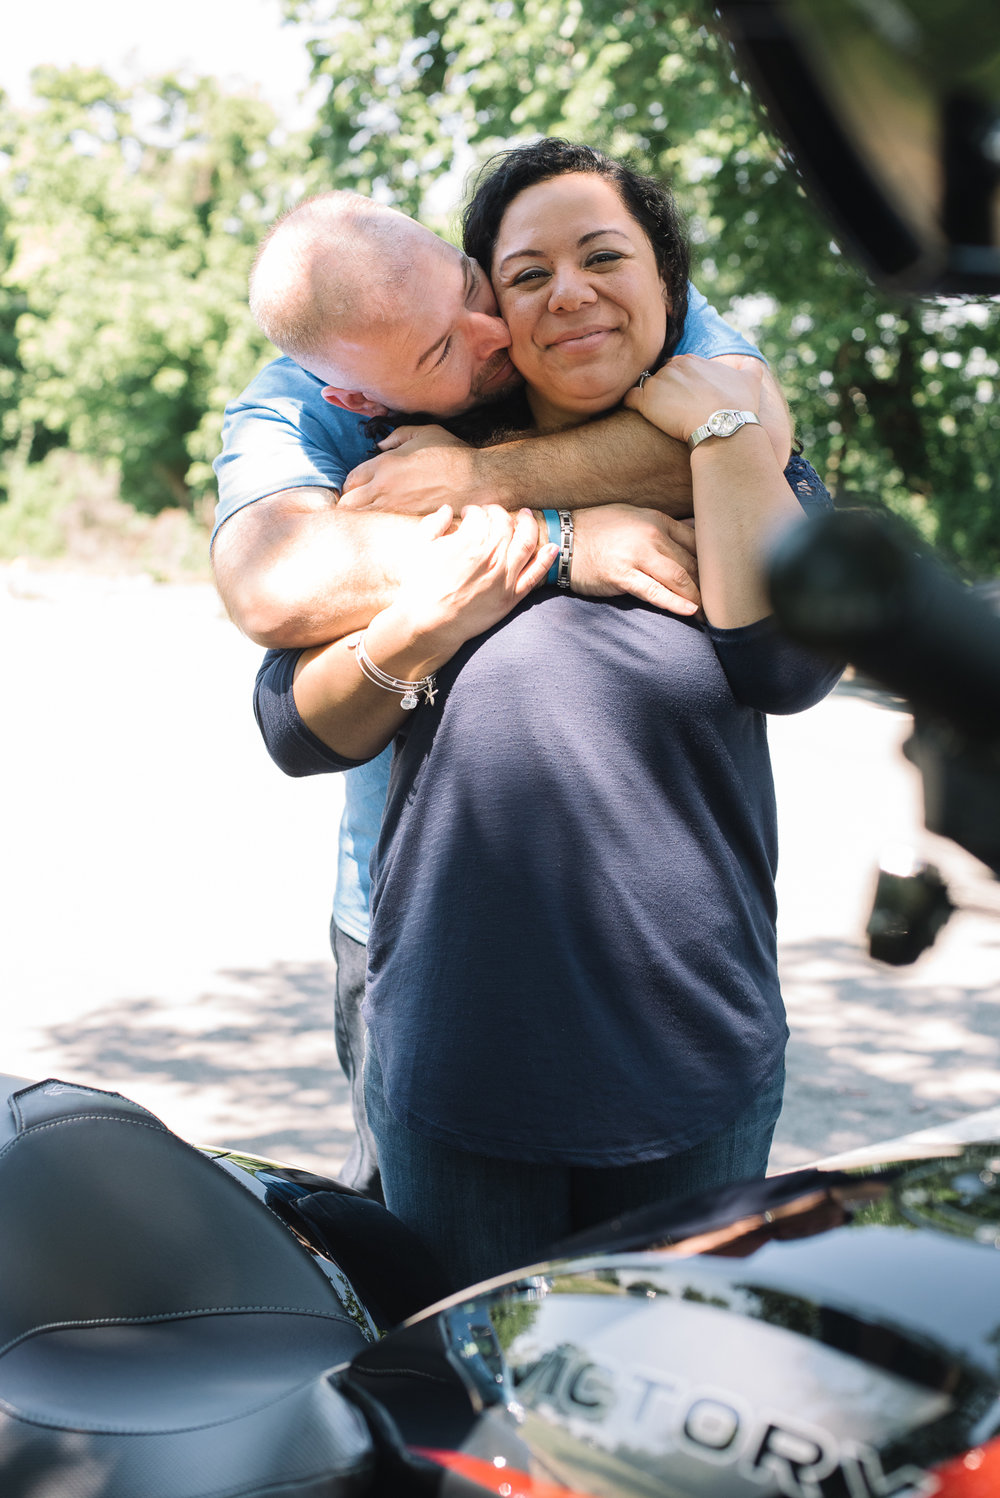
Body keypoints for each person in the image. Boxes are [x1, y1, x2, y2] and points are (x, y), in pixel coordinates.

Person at [251, 140, 842, 1289]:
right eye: (524, 275)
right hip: (458, 1061)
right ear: (490, 313)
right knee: (470, 1421)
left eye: (604, 256)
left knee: (668, 1407)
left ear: (673, 289)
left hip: (692, 1045)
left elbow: (785, 667)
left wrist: (719, 433)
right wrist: (519, 564)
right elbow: (290, 724)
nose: (567, 291)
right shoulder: (413, 465)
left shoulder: (732, 443)